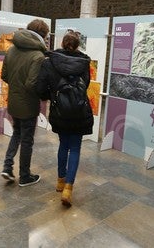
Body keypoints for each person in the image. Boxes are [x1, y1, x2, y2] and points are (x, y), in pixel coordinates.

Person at [36, 32, 93, 206]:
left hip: (59, 111)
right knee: (75, 148)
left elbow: (40, 88)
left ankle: (60, 181)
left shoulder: (50, 62)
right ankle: (68, 187)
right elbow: (85, 86)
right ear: (77, 46)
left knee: (63, 145)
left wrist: (52, 97)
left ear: (62, 43)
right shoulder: (84, 64)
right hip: (79, 112)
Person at [0, 19, 49, 187]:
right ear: (42, 36)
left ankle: (7, 167)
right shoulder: (38, 56)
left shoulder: (12, 50)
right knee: (27, 140)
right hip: (28, 104)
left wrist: (16, 85)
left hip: (13, 101)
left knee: (16, 134)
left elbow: (4, 76)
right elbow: (31, 84)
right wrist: (44, 94)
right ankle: (25, 176)